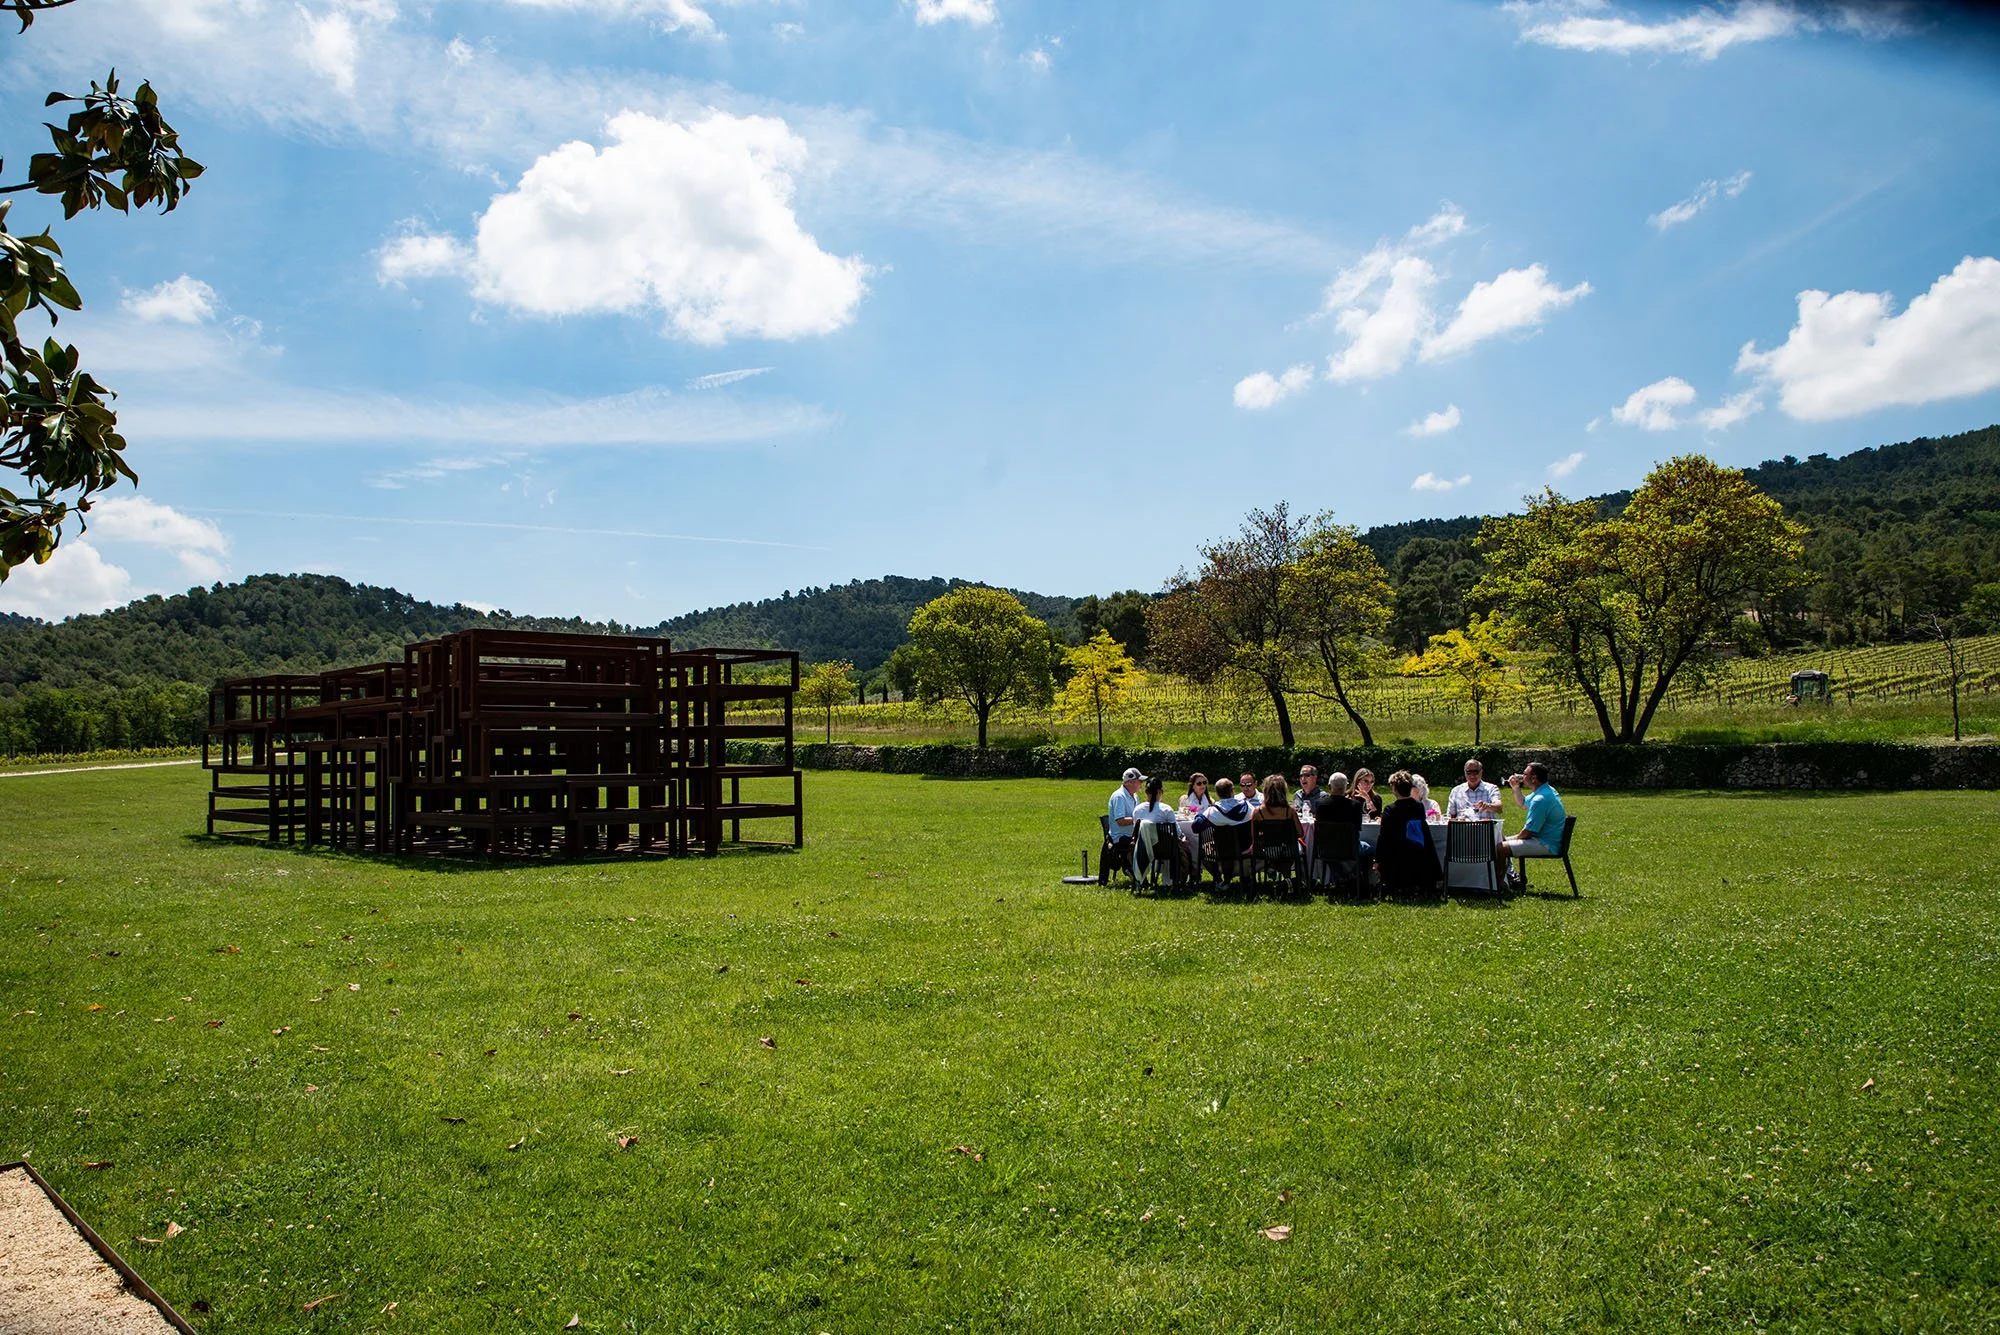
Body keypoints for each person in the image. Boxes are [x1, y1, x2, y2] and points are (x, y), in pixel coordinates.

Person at [1501, 761, 1566, 888]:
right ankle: (1508, 880)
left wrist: (1510, 839)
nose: (1521, 776)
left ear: (1534, 778)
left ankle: (1500, 884)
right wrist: (1515, 788)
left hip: (1546, 844)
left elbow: (1528, 832)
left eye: (1525, 774)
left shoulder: (1540, 799)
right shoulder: (1546, 790)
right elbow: (1523, 803)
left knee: (1499, 848)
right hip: (1547, 840)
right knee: (1500, 842)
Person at [1374, 770, 1439, 894]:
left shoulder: (1390, 810)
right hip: (1416, 852)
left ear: (1394, 789)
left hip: (1396, 854)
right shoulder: (1418, 807)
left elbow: (1383, 837)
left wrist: (1377, 860)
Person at [1133, 776, 1187, 884]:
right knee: (1185, 851)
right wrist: (1184, 839)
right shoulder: (1166, 809)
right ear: (1160, 791)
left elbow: (1136, 831)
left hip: (1144, 848)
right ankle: (1180, 880)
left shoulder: (1137, 810)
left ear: (1146, 792)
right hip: (1166, 850)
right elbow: (1177, 832)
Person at [1100, 767, 1144, 885]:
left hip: (1132, 834)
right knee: (1144, 845)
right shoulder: (1119, 796)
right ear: (1129, 782)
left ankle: (1138, 874)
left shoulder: (1135, 796)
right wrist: (1138, 821)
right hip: (1121, 837)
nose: (1141, 784)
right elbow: (1120, 821)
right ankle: (1134, 873)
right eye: (1139, 781)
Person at [1205, 777, 1253, 882]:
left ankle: (1219, 879)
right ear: (1232, 791)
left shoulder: (1213, 811)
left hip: (1222, 850)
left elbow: (1196, 826)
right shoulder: (1248, 807)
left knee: (1203, 849)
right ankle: (1245, 876)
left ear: (1217, 794)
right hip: (1245, 848)